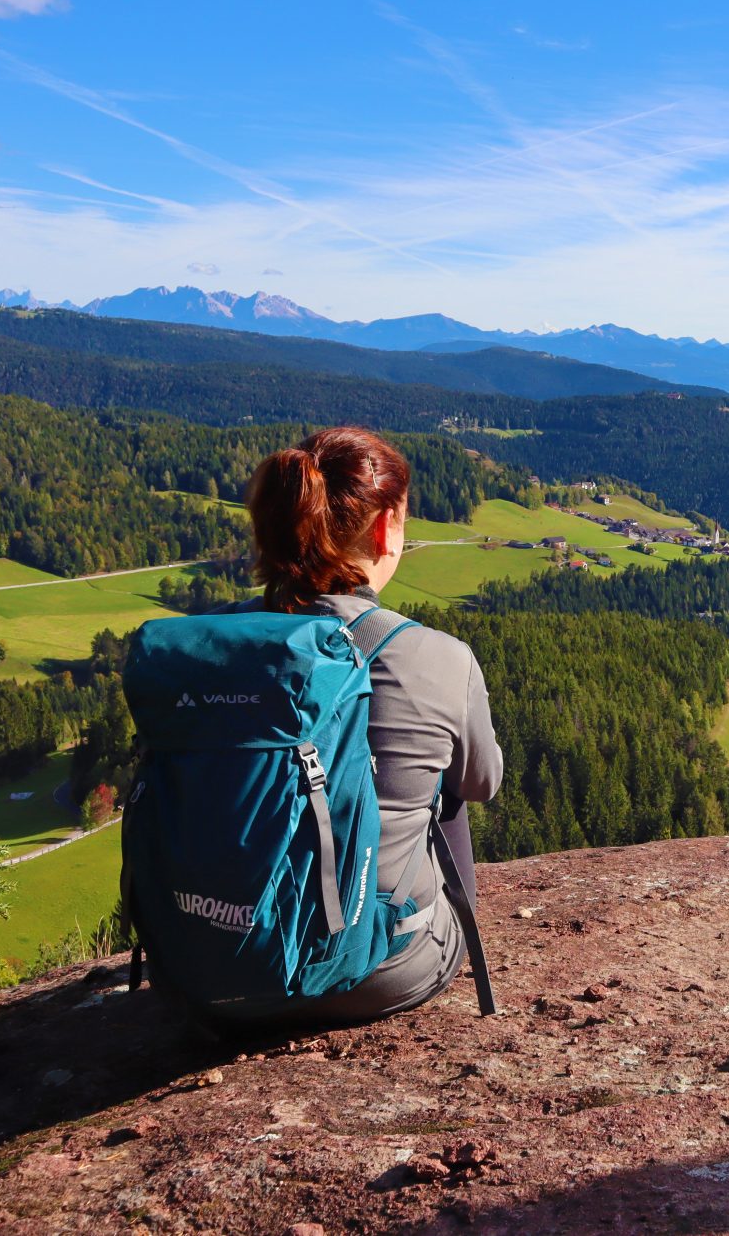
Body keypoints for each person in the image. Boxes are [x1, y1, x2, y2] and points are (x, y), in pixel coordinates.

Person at [223, 425, 503, 1022]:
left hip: (216, 963)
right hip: (376, 974)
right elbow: (483, 783)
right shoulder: (439, 657)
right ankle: (384, 930)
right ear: (384, 527)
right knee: (444, 790)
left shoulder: (218, 641)